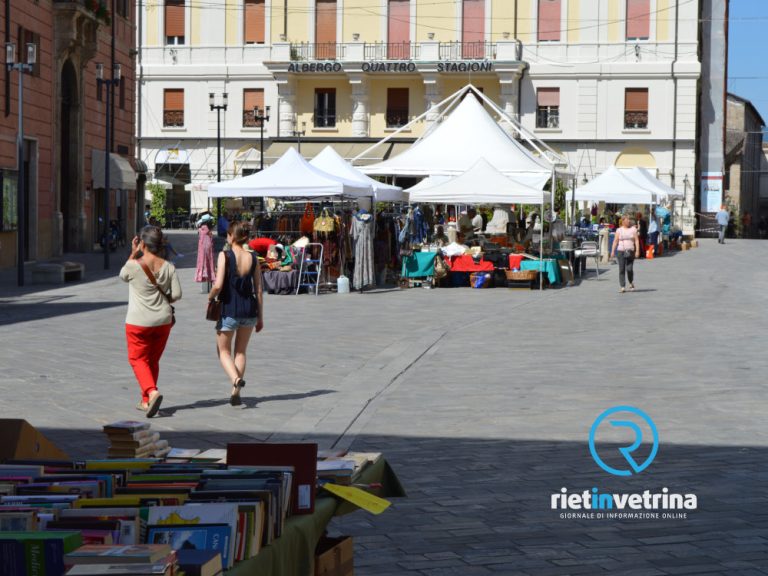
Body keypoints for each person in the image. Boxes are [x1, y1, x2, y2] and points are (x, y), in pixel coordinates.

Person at [119, 226, 182, 417]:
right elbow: (177, 294)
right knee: (152, 360)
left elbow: (122, 276)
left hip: (138, 321)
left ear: (142, 243)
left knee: (137, 359)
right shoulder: (169, 266)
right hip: (163, 321)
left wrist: (133, 253)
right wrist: (165, 300)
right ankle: (146, 400)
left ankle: (152, 392)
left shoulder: (133, 265)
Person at [208, 222, 264, 406]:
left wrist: (210, 297)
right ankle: (236, 391)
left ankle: (235, 379)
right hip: (250, 309)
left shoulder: (225, 256)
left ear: (232, 236)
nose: (226, 238)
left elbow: (218, 285)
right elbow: (259, 289)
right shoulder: (254, 257)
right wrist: (261, 317)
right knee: (241, 351)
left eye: (227, 235)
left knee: (223, 351)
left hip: (230, 309)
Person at [610, 215, 640, 293]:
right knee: (622, 269)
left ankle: (631, 282)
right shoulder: (619, 230)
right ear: (623, 221)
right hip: (621, 251)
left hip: (630, 251)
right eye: (627, 219)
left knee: (629, 269)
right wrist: (612, 251)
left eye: (629, 219)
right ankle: (622, 286)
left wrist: (637, 251)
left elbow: (636, 240)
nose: (629, 221)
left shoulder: (633, 229)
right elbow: (615, 241)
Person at [195, 214, 216, 293]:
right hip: (207, 247)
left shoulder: (202, 229)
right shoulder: (206, 228)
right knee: (208, 262)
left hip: (203, 247)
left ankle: (206, 278)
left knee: (204, 262)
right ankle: (209, 278)